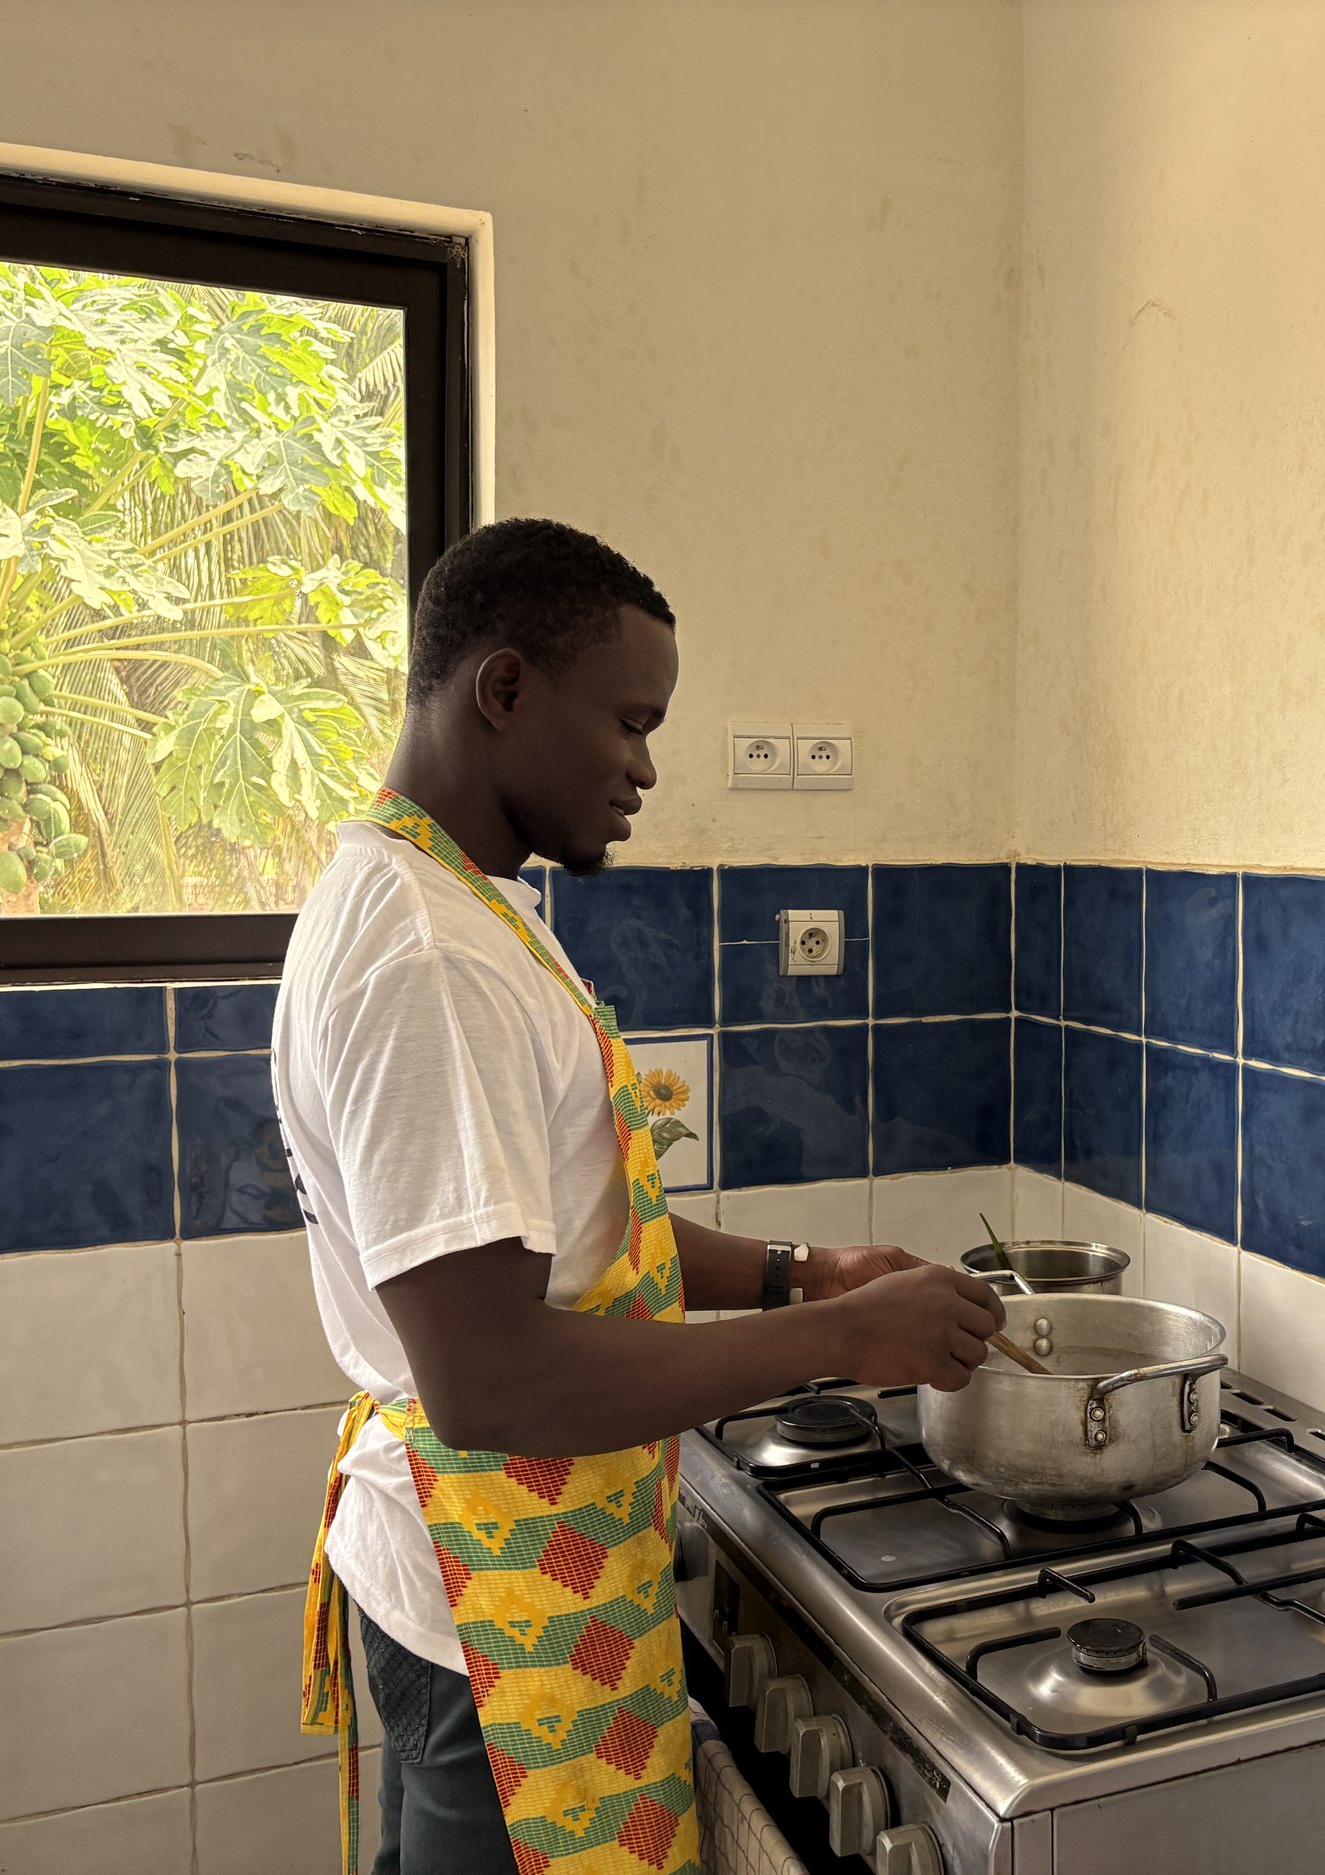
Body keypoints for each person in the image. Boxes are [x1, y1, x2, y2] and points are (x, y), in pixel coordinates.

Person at [280, 518, 1005, 1875]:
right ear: (504, 690)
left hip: (523, 1576)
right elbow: (490, 1376)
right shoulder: (426, 958)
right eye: (629, 722)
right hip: (487, 1616)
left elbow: (569, 1238)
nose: (647, 768)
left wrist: (804, 1274)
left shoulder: (465, 905)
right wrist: (844, 1338)